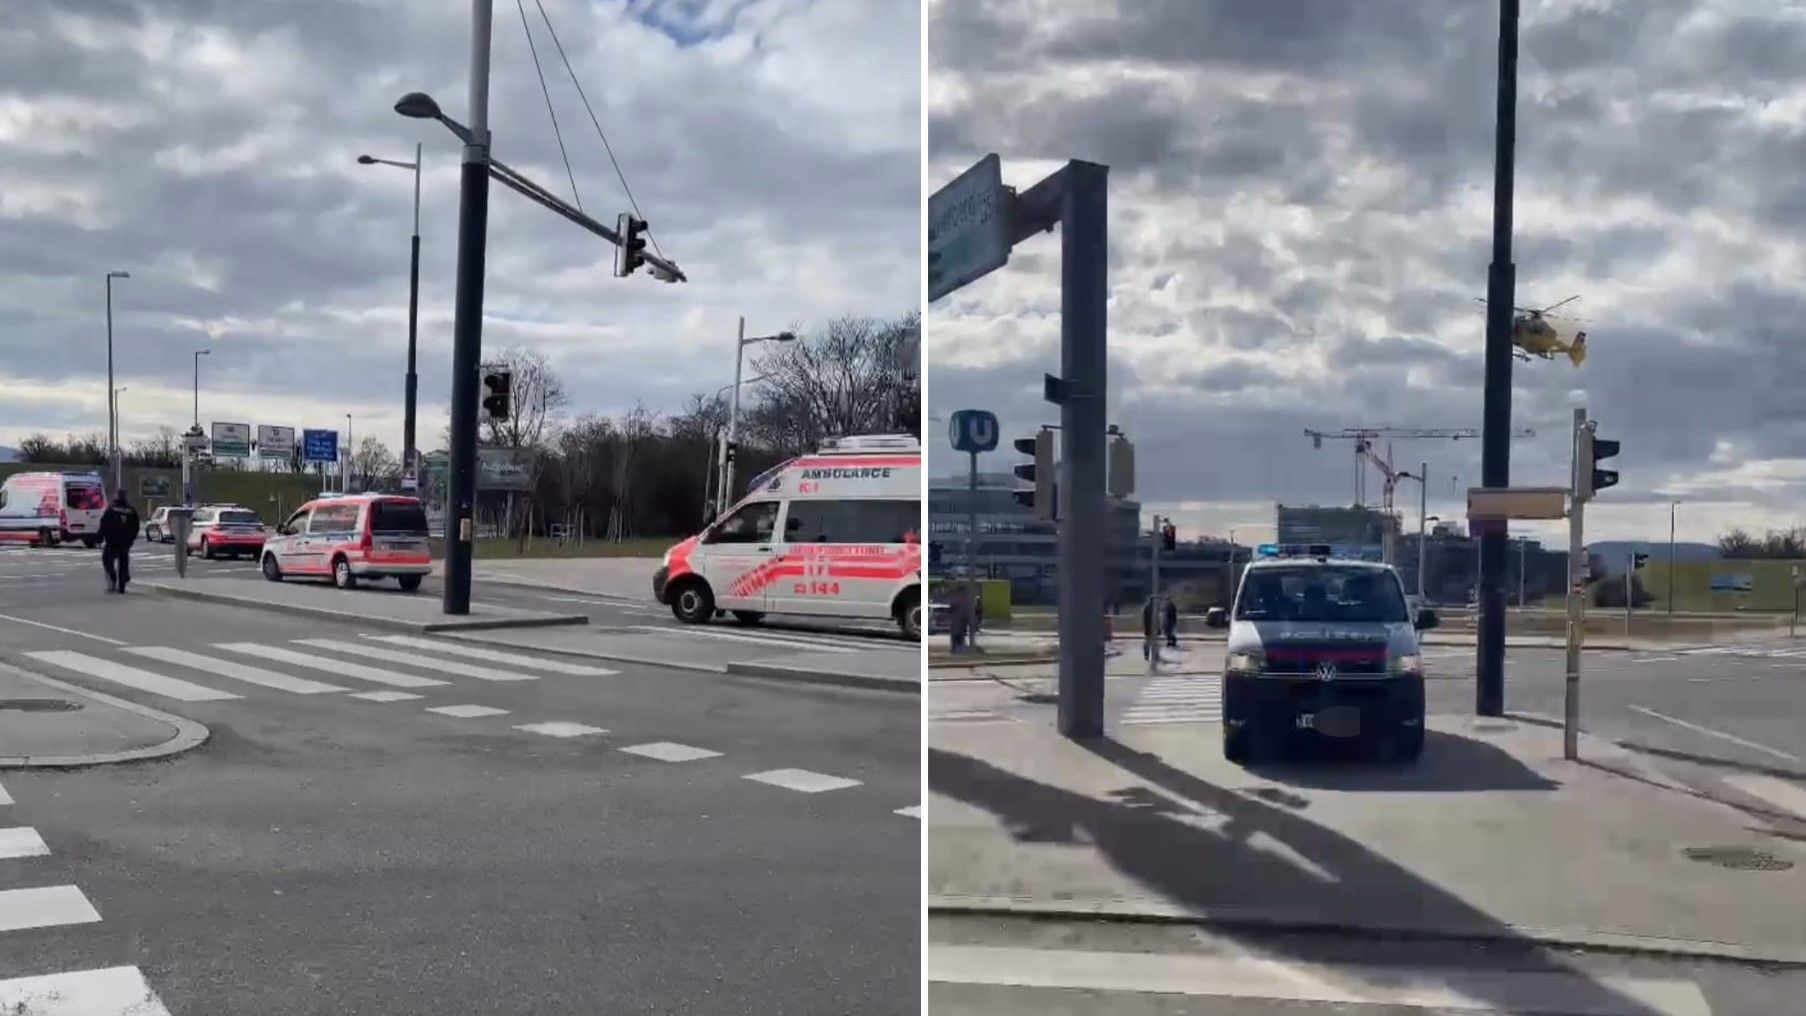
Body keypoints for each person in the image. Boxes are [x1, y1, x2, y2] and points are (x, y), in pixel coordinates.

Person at [99, 488, 141, 593]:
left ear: (117, 496)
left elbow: (104, 524)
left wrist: (100, 537)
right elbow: (136, 526)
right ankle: (123, 581)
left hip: (112, 541)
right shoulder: (131, 510)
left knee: (107, 560)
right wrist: (131, 538)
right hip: (125, 541)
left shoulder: (111, 509)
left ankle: (113, 577)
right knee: (123, 561)